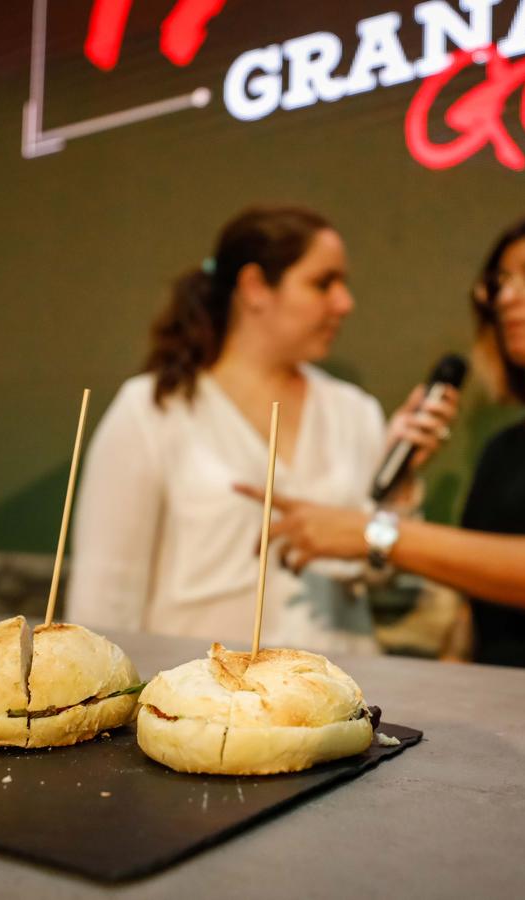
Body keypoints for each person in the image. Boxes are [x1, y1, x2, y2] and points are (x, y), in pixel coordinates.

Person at [246, 211, 525, 682]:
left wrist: (374, 533)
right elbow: (478, 601)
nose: (509, 298)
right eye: (500, 284)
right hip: (508, 703)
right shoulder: (503, 449)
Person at [66, 205, 457, 654]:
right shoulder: (153, 409)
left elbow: (378, 576)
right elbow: (106, 594)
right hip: (204, 687)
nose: (344, 303)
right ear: (255, 287)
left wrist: (397, 488)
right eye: (323, 283)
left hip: (337, 683)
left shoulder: (353, 411)